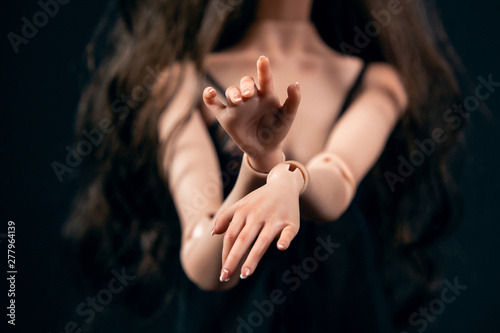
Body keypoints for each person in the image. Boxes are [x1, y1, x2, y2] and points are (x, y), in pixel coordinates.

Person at [63, 0, 465, 331]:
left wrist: (284, 175)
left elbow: (338, 178)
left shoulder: (376, 82)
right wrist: (258, 166)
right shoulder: (183, 83)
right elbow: (204, 257)